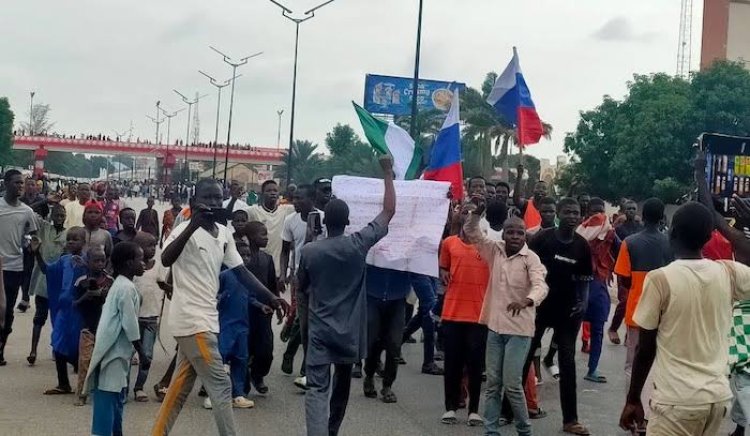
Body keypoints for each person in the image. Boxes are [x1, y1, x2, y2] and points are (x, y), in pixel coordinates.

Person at [151, 178, 286, 436]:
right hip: (192, 322)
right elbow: (167, 258)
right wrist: (192, 226)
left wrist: (271, 297)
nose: (213, 203)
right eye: (207, 198)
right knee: (222, 386)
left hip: (209, 320)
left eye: (217, 198)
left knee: (178, 390)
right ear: (194, 203)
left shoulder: (224, 233)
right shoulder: (183, 231)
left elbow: (241, 272)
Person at [619, 202, 750, 435]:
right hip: (717, 400)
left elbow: (645, 348)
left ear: (672, 232)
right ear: (709, 237)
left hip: (677, 402)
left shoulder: (660, 280)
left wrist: (633, 399)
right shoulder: (728, 272)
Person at [298, 155, 395, 436]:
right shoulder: (358, 244)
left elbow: (301, 285)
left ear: (323, 221)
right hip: (349, 332)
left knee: (317, 388)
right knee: (342, 383)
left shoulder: (310, 251)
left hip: (319, 332)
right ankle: (332, 430)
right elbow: (389, 211)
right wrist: (387, 172)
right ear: (349, 221)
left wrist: (310, 236)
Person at [464, 202, 548, 436]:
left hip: (520, 331)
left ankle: (524, 430)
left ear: (525, 236)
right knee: (493, 384)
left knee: (511, 385)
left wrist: (528, 300)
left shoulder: (531, 259)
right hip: (494, 328)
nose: (514, 236)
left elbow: (541, 285)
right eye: (510, 231)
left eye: (519, 232)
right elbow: (472, 233)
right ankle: (491, 431)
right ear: (503, 233)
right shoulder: (495, 250)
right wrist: (477, 213)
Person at [524, 197, 592, 435]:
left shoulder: (582, 245)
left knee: (567, 362)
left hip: (567, 311)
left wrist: (582, 303)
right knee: (525, 356)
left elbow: (585, 280)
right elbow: (525, 268)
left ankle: (570, 420)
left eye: (576, 213)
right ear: (559, 213)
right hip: (540, 307)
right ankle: (507, 410)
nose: (572, 216)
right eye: (568, 212)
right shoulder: (542, 239)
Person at [614, 198, 672, 430]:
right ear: (661, 218)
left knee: (633, 364)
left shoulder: (630, 242)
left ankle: (634, 411)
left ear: (641, 215)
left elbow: (624, 279)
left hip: (637, 312)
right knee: (658, 364)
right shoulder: (671, 243)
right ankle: (651, 414)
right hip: (665, 313)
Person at [83, 242, 145, 436]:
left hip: (117, 354)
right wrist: (142, 352)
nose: (144, 264)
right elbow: (130, 323)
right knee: (107, 401)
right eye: (140, 260)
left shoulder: (120, 285)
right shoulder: (125, 288)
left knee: (116, 401)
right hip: (112, 355)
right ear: (129, 263)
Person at [437, 202, 490, 426]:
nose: (468, 215)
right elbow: (444, 269)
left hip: (479, 316)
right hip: (452, 314)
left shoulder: (487, 247)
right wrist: (443, 272)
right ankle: (450, 407)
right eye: (464, 211)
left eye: (473, 212)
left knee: (476, 365)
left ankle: (474, 410)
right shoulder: (448, 243)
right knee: (452, 364)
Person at [31, 227, 87, 395]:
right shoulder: (64, 260)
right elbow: (47, 270)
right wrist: (36, 253)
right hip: (64, 311)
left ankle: (84, 383)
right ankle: (63, 383)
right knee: (58, 343)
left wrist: (85, 265)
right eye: (69, 239)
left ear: (84, 243)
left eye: (75, 239)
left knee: (79, 346)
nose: (70, 241)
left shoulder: (88, 260)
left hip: (80, 311)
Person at [280, 184, 324, 389]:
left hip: (323, 281)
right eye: (294, 198)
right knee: (305, 323)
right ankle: (298, 360)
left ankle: (307, 368)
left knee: (314, 325)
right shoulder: (290, 220)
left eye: (299, 198)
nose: (295, 201)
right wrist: (284, 273)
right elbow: (285, 250)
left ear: (311, 199)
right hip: (300, 279)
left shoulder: (325, 219)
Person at [576, 198, 618, 383]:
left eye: (602, 211)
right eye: (597, 212)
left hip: (591, 283)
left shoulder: (583, 232)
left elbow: (621, 249)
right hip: (589, 284)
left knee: (594, 329)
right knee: (592, 329)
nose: (600, 215)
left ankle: (590, 369)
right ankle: (590, 369)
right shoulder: (584, 232)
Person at [0, 169, 38, 366]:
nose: (20, 186)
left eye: (22, 183)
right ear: (6, 183)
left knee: (7, 311)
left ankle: (1, 348)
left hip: (14, 266)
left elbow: (34, 234)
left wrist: (31, 243)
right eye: (16, 183)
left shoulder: (27, 211)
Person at [215, 241, 257, 409]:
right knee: (221, 359)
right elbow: (215, 295)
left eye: (248, 255)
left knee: (241, 359)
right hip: (226, 325)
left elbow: (252, 297)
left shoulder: (249, 278)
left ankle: (238, 395)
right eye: (242, 255)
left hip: (242, 326)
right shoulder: (224, 275)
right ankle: (216, 395)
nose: (245, 258)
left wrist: (263, 306)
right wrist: (221, 297)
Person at [240, 221, 278, 395]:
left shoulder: (267, 259)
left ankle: (258, 375)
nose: (266, 238)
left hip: (264, 312)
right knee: (245, 349)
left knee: (266, 349)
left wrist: (276, 303)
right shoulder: (241, 259)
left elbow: (272, 285)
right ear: (250, 237)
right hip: (245, 311)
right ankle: (244, 381)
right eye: (262, 234)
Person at [27, 204, 68, 365]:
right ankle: (33, 350)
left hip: (60, 283)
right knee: (39, 317)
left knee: (58, 319)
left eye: (62, 215)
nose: (59, 218)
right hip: (43, 282)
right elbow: (30, 212)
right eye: (56, 215)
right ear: (51, 216)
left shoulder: (68, 234)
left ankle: (56, 348)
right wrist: (45, 201)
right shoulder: (44, 228)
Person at [72, 246, 113, 405]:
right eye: (96, 260)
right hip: (87, 327)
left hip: (105, 328)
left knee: (104, 362)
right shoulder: (81, 281)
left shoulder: (110, 281)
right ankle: (81, 394)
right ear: (87, 262)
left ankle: (101, 392)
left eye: (102, 260)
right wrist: (86, 296)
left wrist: (103, 294)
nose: (100, 263)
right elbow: (73, 304)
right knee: (85, 361)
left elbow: (114, 302)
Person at [246, 180, 295, 291]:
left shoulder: (286, 210)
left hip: (277, 270)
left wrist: (284, 274)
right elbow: (237, 220)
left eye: (275, 190)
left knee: (273, 303)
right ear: (262, 194)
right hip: (257, 268)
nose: (272, 193)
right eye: (269, 190)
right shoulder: (253, 211)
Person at [132, 232, 163, 402]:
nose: (153, 248)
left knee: (147, 354)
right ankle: (122, 386)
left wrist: (168, 287)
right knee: (128, 353)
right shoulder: (134, 268)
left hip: (151, 317)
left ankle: (139, 387)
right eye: (149, 245)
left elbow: (162, 281)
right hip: (134, 318)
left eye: (154, 245)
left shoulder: (157, 265)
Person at [608, 200, 644, 345]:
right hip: (622, 268)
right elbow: (612, 249)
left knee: (636, 302)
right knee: (624, 301)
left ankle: (629, 336)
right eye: (628, 208)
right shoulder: (619, 229)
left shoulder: (641, 229)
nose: (631, 211)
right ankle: (613, 328)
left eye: (633, 209)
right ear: (624, 210)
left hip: (638, 268)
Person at [513, 165, 548, 233]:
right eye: (538, 187)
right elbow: (516, 200)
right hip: (527, 240)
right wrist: (519, 176)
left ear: (547, 192)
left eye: (544, 188)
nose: (540, 190)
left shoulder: (549, 207)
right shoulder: (526, 204)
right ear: (533, 190)